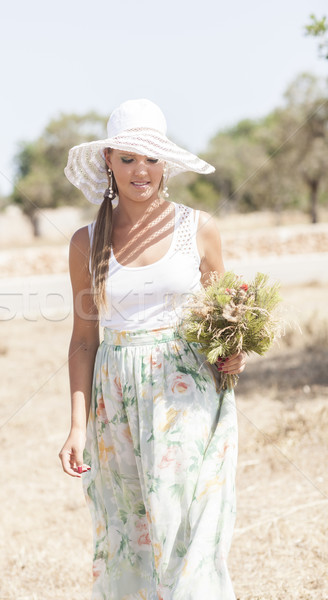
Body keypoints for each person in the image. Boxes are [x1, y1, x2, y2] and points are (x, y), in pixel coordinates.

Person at [59, 99, 246, 599]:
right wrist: (78, 425)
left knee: (185, 521)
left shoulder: (198, 227)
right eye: (127, 159)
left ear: (167, 163)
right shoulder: (86, 240)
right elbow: (83, 340)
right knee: (129, 528)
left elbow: (224, 315)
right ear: (108, 162)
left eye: (151, 158)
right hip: (114, 395)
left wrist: (236, 353)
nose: (140, 171)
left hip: (185, 388)